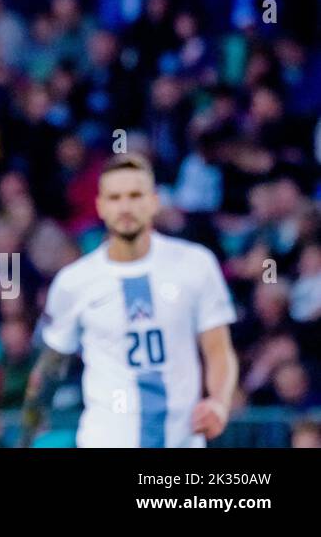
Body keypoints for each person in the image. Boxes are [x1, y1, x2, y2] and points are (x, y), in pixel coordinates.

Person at [20, 153, 239, 447]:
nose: (125, 206)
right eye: (115, 197)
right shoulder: (74, 283)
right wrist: (27, 433)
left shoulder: (195, 264)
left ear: (153, 201)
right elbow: (49, 369)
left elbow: (218, 350)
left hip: (182, 441)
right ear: (100, 206)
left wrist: (219, 403)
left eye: (135, 195)